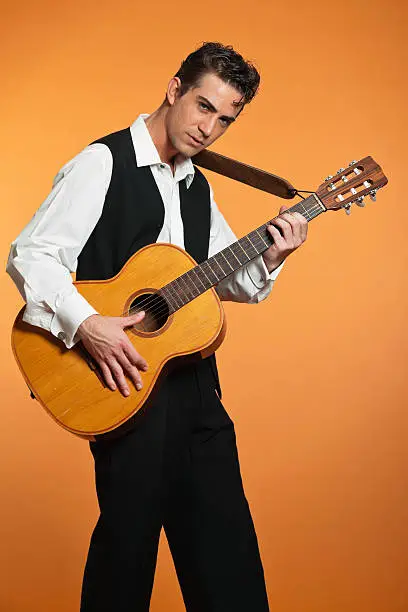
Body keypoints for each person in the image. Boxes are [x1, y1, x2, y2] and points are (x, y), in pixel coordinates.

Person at [7, 42, 308, 611]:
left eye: (225, 119)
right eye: (202, 106)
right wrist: (87, 323)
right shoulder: (104, 162)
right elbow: (32, 254)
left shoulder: (198, 185)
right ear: (174, 89)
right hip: (124, 385)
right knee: (127, 557)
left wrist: (273, 254)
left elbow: (224, 280)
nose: (209, 128)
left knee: (229, 559)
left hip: (196, 388)